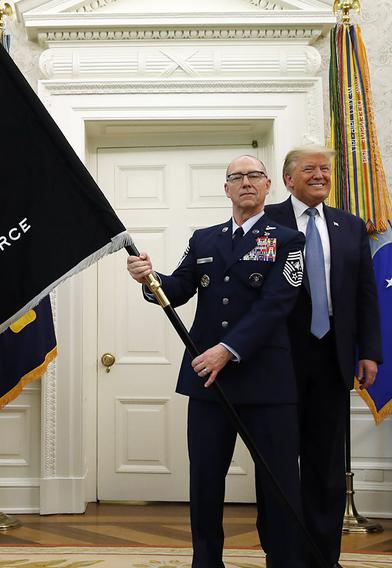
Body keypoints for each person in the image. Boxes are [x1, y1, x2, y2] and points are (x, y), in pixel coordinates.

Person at [126, 155, 307, 567]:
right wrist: (148, 279)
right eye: (236, 177)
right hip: (210, 384)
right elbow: (178, 289)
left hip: (266, 382)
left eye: (254, 176)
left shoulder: (287, 239)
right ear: (226, 188)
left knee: (278, 482)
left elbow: (276, 305)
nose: (246, 182)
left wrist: (228, 349)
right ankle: (206, 561)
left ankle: (282, 559)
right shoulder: (204, 239)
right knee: (205, 480)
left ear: (268, 187)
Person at [265, 144, 382, 566]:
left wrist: (369, 351)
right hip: (278, 358)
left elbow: (366, 294)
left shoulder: (350, 226)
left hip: (332, 356)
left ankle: (322, 555)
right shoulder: (267, 221)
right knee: (279, 463)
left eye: (325, 169)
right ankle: (282, 554)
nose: (320, 175)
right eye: (310, 169)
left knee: (326, 465)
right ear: (288, 178)